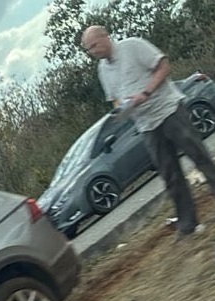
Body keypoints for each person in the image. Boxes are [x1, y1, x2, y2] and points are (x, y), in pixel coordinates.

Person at [80, 25, 215, 239]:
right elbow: (115, 99)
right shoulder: (103, 70)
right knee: (170, 174)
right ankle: (188, 225)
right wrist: (123, 108)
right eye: (89, 49)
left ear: (105, 37)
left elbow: (163, 66)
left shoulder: (133, 46)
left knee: (199, 155)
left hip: (168, 110)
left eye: (94, 45)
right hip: (146, 125)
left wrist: (145, 93)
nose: (92, 52)